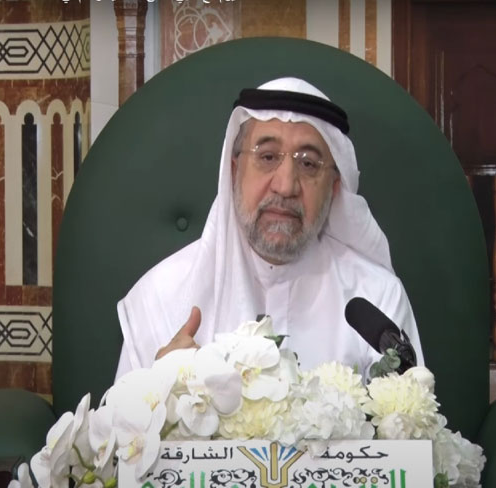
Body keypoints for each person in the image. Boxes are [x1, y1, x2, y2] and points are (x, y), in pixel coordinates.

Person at [115, 77, 423, 380]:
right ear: (234, 171)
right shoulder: (160, 298)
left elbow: (412, 409)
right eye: (267, 157)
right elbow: (120, 415)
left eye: (308, 164)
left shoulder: (377, 300)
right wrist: (161, 392)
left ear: (333, 187)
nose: (286, 186)